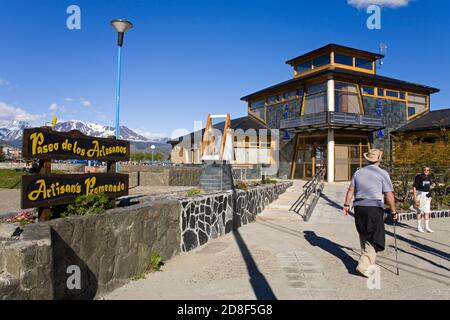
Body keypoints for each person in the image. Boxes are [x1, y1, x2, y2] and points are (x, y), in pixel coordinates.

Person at [342, 149, 398, 278]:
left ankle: (369, 263)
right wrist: (393, 210)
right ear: (379, 159)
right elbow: (389, 194)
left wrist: (346, 205)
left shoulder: (358, 172)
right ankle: (363, 265)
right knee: (375, 237)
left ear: (368, 159)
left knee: (364, 233)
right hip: (374, 207)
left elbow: (351, 190)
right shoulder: (382, 173)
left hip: (359, 207)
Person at [413, 166, 434, 233]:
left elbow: (429, 186)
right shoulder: (419, 177)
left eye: (428, 170)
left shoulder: (429, 177)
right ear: (422, 170)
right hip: (420, 193)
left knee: (427, 211)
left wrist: (430, 193)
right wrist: (415, 197)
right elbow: (414, 187)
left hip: (427, 194)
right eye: (425, 170)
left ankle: (426, 227)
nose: (426, 171)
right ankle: (419, 226)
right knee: (419, 211)